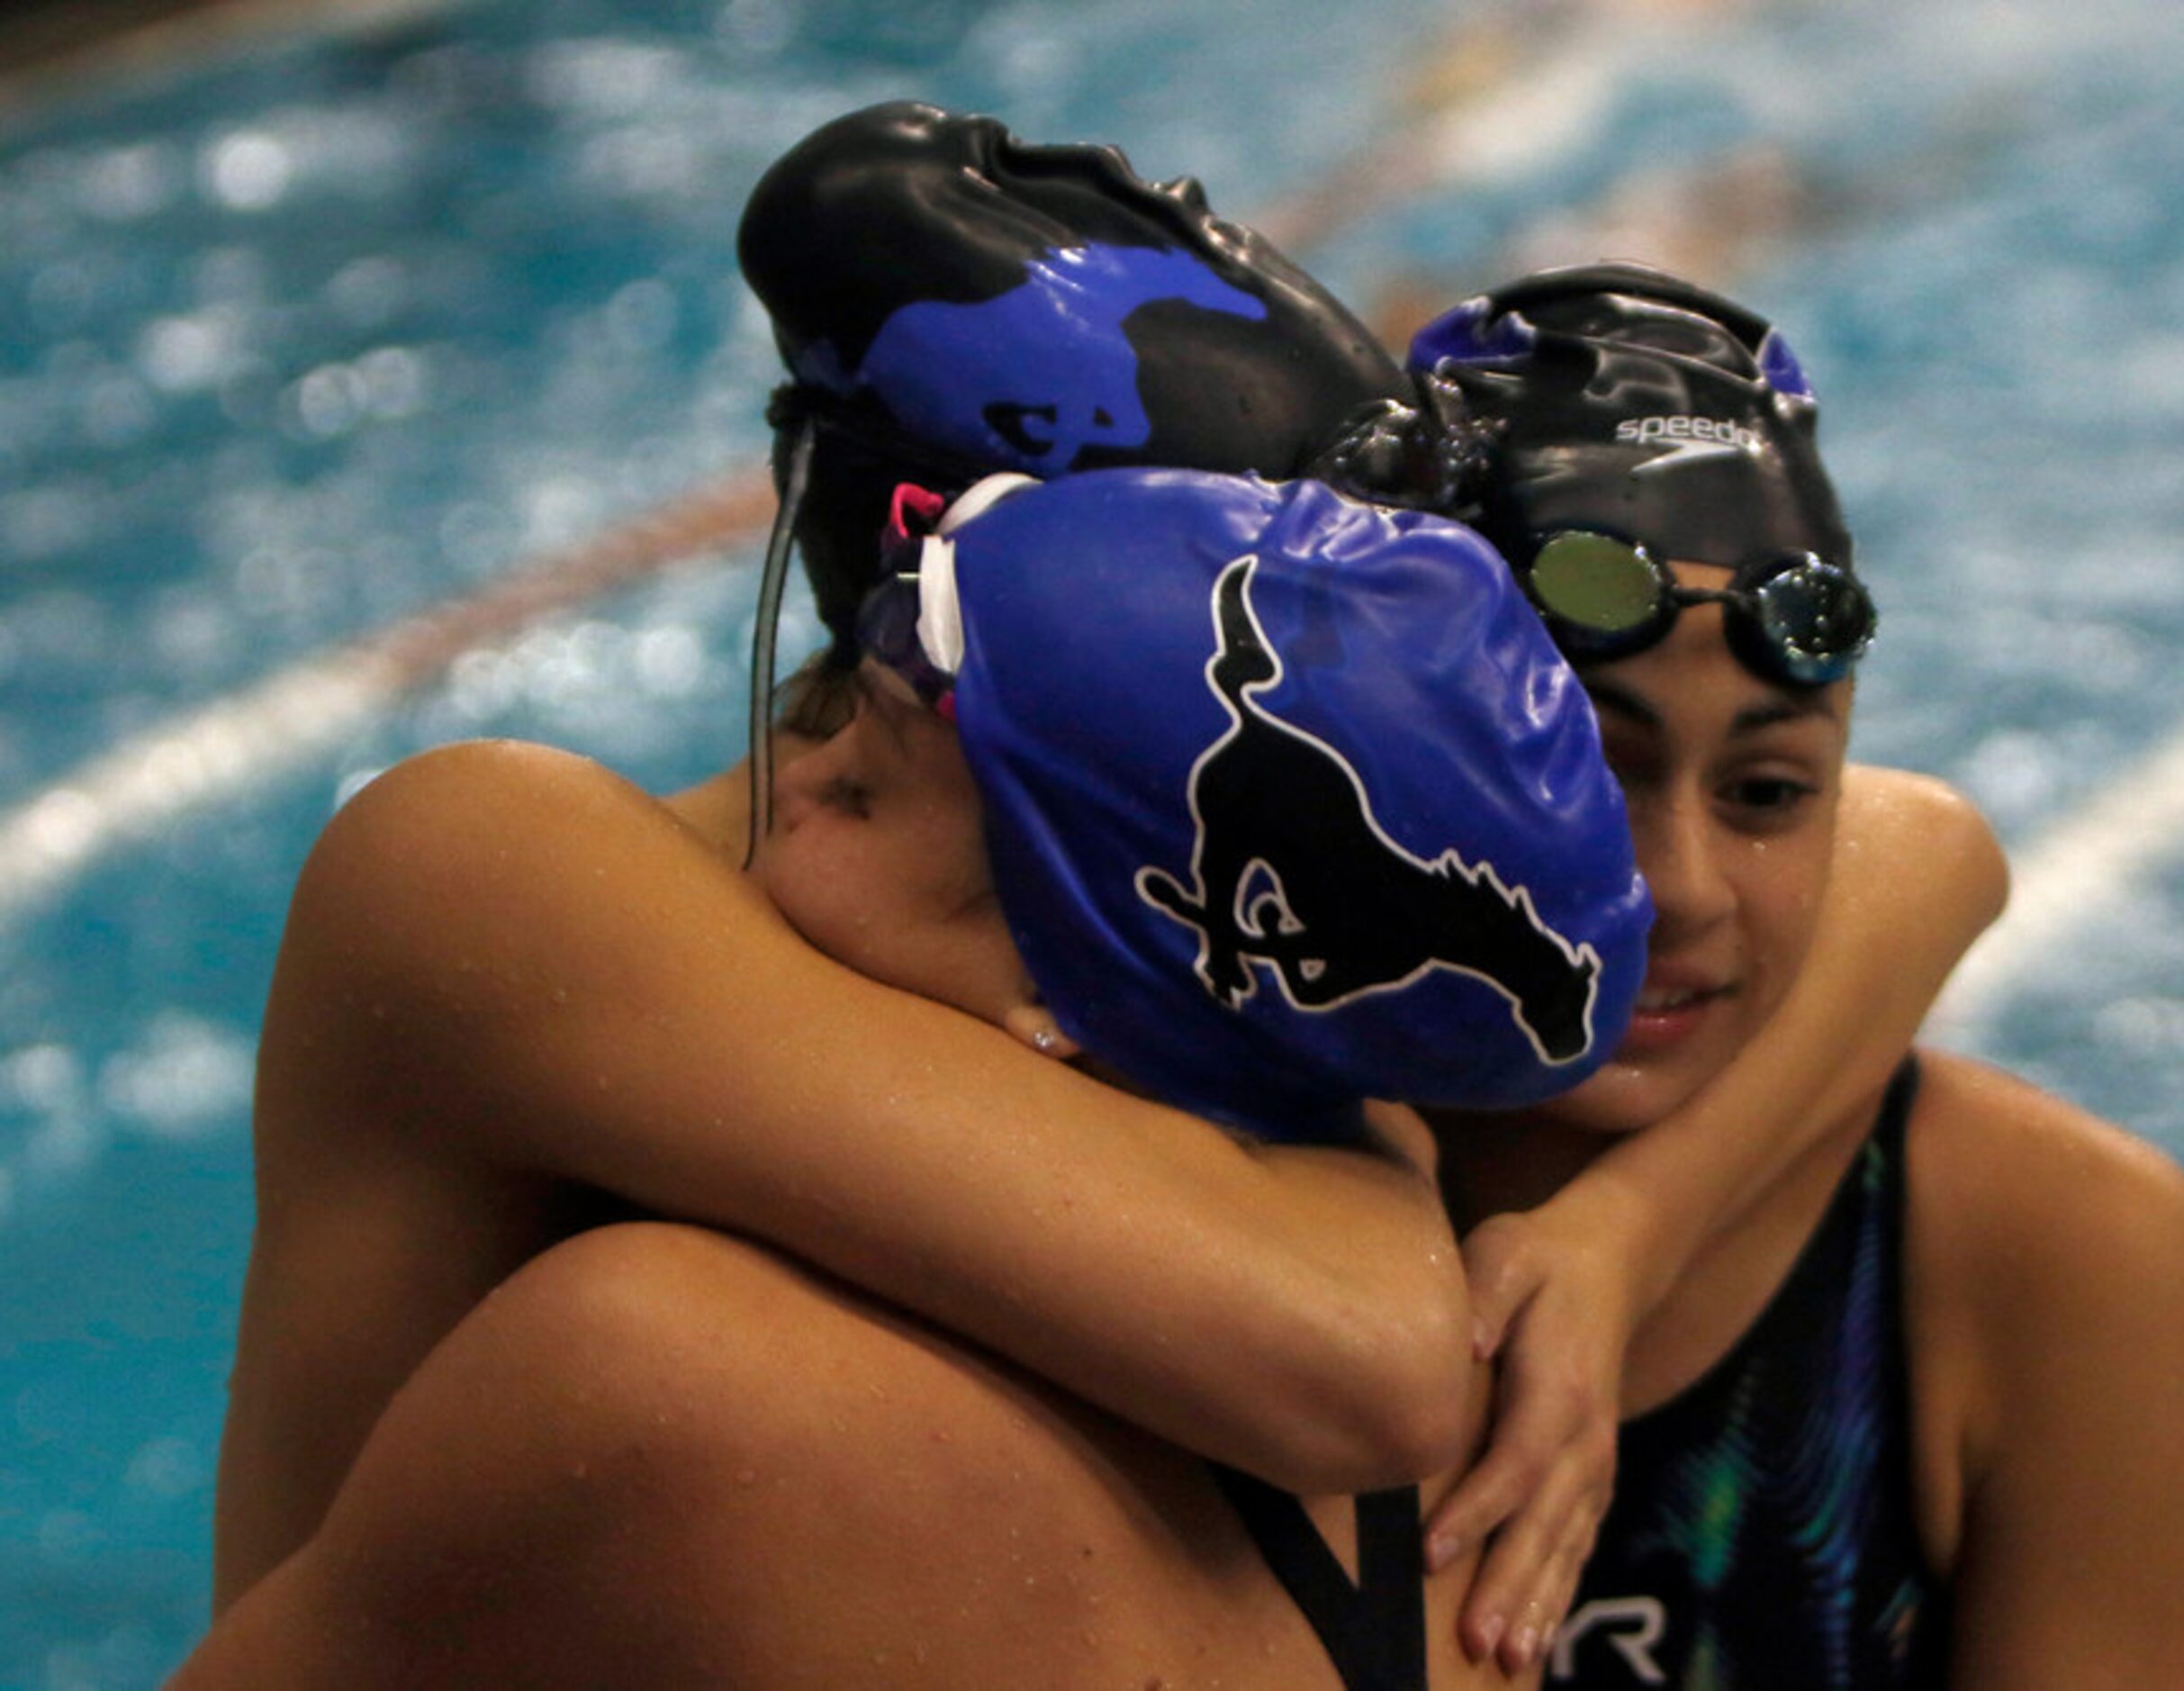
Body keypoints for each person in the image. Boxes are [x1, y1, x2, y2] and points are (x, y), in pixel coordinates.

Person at [204, 102, 2004, 1678]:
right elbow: (1374, 1359)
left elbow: (1921, 843)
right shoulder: (511, 892)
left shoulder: (1194, 934)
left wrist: (1620, 1235)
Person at [1345, 264, 2184, 1686]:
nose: (1683, 885)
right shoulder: (1219, 1222)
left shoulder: (2049, 1252)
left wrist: (1630, 1228)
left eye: (1766, 791)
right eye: (1585, 768)